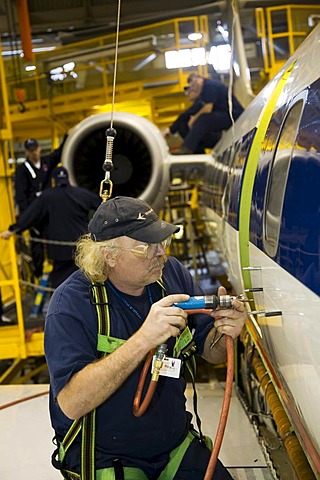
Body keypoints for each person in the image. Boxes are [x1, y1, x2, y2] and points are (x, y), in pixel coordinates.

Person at [44, 195, 246, 479]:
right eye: (145, 248)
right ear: (108, 256)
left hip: (173, 445)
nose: (160, 253)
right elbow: (71, 404)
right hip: (107, 456)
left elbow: (212, 353)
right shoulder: (71, 304)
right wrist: (143, 340)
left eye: (162, 242)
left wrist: (225, 331)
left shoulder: (171, 274)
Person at [1, 166, 101, 289]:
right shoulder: (82, 194)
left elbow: (30, 216)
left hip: (59, 252)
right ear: (67, 179)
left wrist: (12, 230)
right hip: (82, 249)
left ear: (53, 181)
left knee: (60, 288)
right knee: (85, 283)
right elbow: (103, 205)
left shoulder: (47, 196)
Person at [14, 136, 67, 277]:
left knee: (53, 239)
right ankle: (38, 273)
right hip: (34, 211)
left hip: (49, 210)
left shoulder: (46, 162)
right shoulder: (22, 170)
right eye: (30, 151)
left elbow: (58, 153)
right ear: (27, 152)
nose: (34, 153)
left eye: (35, 150)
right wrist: (27, 217)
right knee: (36, 244)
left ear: (39, 148)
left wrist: (68, 136)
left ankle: (56, 269)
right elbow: (20, 195)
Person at [172, 75, 244, 155]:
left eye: (193, 84)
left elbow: (208, 108)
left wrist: (194, 119)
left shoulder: (209, 86)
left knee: (204, 120)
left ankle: (187, 148)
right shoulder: (205, 91)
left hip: (234, 115)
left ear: (200, 79)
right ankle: (208, 147)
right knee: (200, 123)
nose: (193, 87)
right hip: (227, 115)